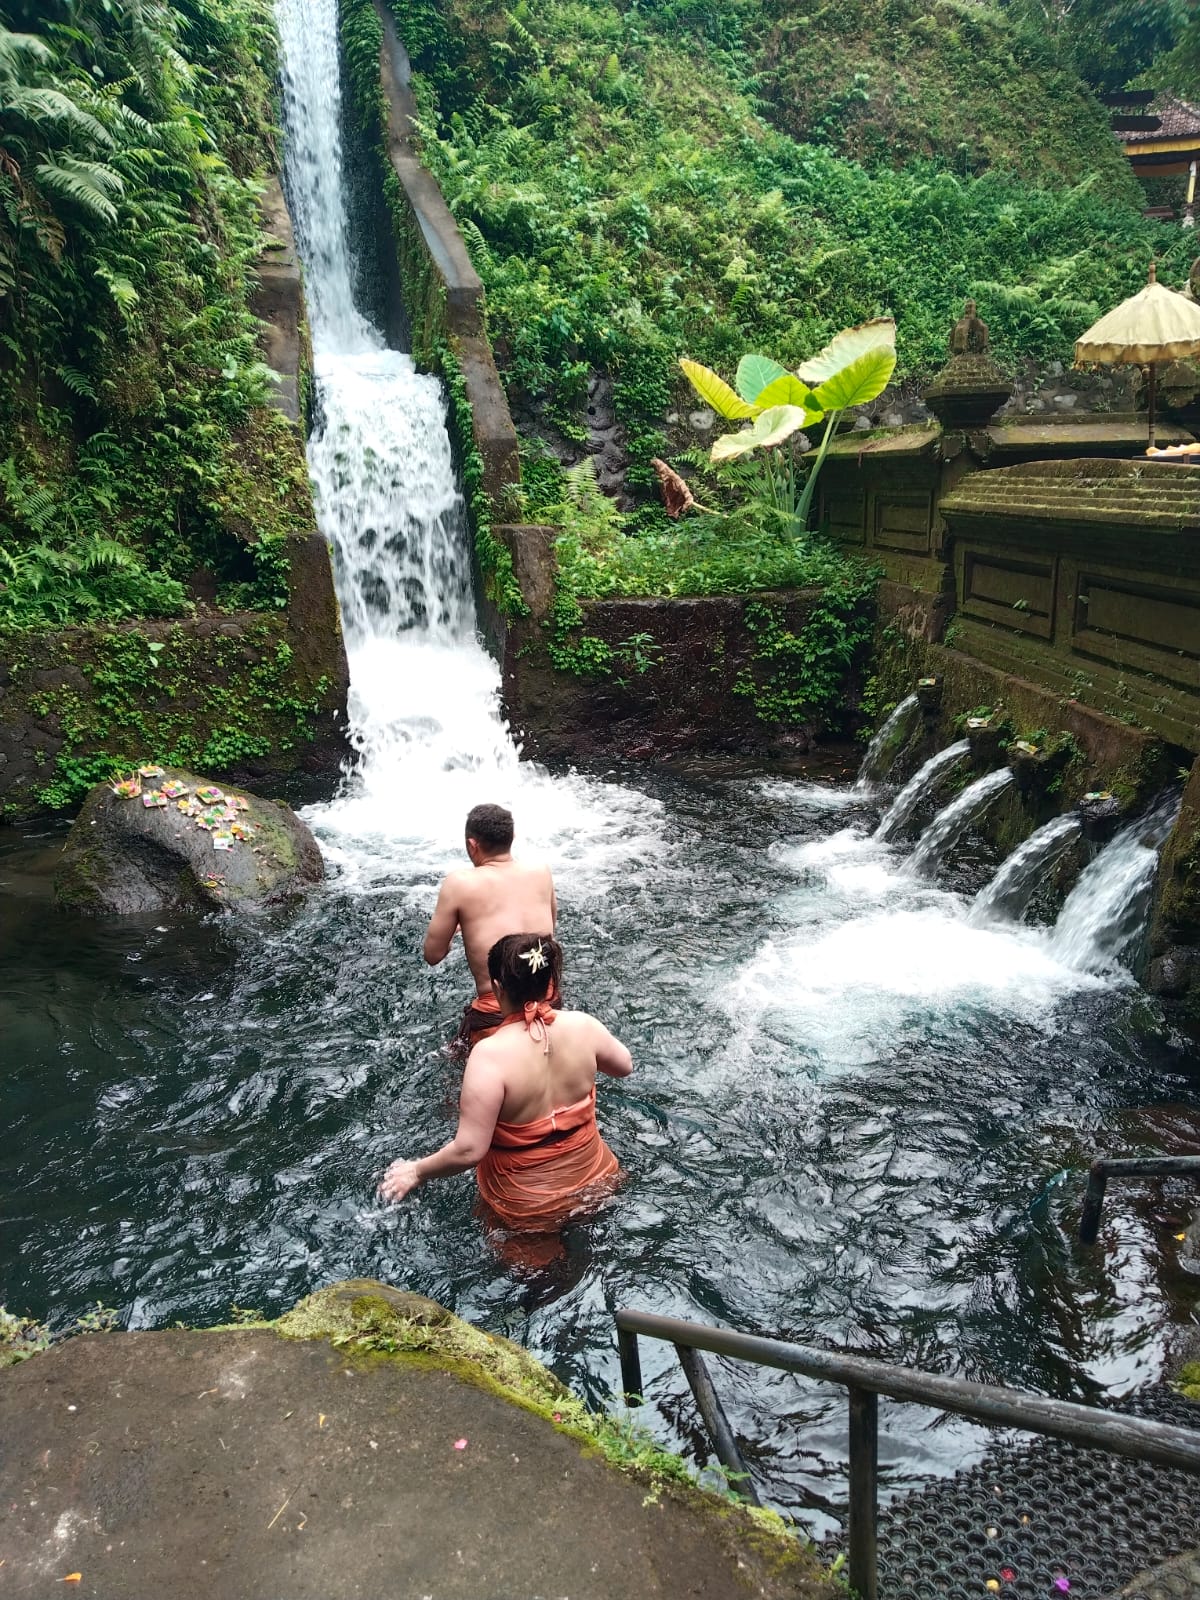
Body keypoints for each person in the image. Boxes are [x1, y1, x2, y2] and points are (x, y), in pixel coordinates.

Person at [380, 934, 632, 1231]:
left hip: (531, 1207)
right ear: (550, 984)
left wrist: (416, 1171)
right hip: (599, 1182)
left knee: (534, 1260)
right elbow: (624, 1067)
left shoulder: (489, 1056)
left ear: (498, 988)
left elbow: (469, 1150)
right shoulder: (584, 1026)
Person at [423, 803, 559, 1056]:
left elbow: (433, 955)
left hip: (496, 1013)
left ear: (472, 845)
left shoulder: (459, 883)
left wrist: (454, 933)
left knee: (459, 1070)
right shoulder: (541, 871)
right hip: (549, 1002)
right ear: (512, 837)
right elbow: (550, 931)